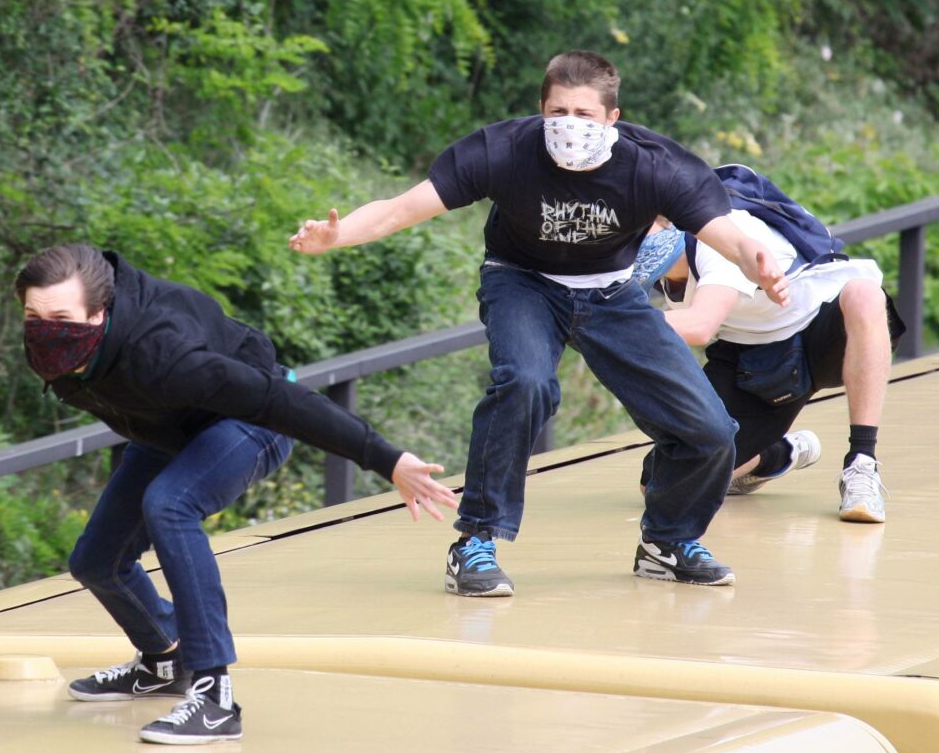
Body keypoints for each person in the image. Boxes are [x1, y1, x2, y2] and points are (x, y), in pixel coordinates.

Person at [289, 51, 788, 596]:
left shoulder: (652, 164)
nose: (570, 126)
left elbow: (724, 231)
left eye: (584, 115)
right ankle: (476, 541)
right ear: (540, 110)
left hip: (610, 292)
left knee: (711, 431)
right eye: (558, 112)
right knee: (525, 383)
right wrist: (337, 236)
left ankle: (667, 541)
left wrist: (753, 259)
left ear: (612, 120)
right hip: (522, 281)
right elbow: (400, 209)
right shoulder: (504, 150)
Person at [17, 242, 459, 744]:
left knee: (171, 504)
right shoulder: (55, 347)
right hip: (167, 428)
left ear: (100, 313)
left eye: (61, 317)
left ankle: (214, 698)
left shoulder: (165, 354)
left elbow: (276, 399)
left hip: (251, 419)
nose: (45, 330)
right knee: (96, 561)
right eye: (34, 316)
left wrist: (388, 460)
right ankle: (164, 661)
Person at [645, 179, 902, 523]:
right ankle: (777, 455)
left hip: (825, 327)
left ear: (669, 222)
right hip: (756, 358)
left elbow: (700, 324)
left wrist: (608, 324)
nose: (624, 239)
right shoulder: (646, 273)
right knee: (659, 484)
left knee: (865, 294)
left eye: (635, 227)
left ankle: (862, 464)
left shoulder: (714, 239)